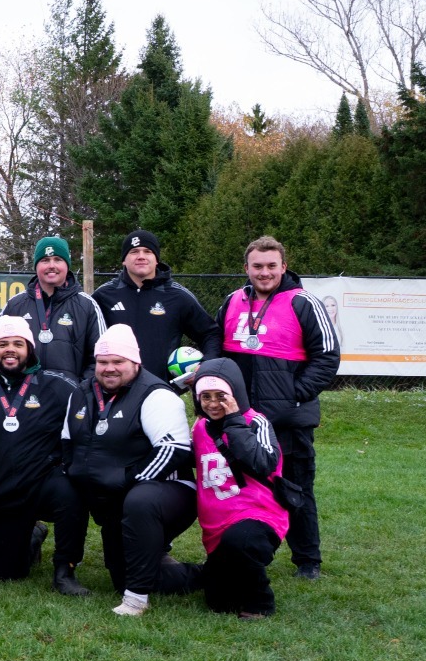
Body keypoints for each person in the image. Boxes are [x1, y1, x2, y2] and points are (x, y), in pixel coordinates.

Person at [218, 236, 339, 581]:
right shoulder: (232, 302)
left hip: (289, 420)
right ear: (246, 268)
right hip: (241, 419)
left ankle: (307, 560)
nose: (265, 272)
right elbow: (217, 348)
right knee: (242, 487)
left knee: (296, 488)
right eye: (257, 266)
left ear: (283, 266)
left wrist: (294, 395)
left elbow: (327, 357)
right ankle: (246, 551)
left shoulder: (303, 302)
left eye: (272, 265)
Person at [62, 324, 198, 617]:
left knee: (140, 502)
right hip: (113, 497)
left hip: (166, 493)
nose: (109, 368)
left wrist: (128, 482)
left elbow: (173, 450)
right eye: (103, 362)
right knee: (122, 576)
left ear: (135, 362)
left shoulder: (157, 394)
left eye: (118, 362)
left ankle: (137, 600)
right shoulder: (82, 392)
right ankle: (195, 571)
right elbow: (67, 443)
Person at [0, 316, 86, 592]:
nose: (10, 349)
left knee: (71, 493)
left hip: (44, 483)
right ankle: (32, 535)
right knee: (5, 574)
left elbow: (82, 433)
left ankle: (65, 571)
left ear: (30, 349)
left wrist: (67, 468)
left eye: (17, 343)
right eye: (2, 344)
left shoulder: (59, 387)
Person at [187, 360, 289, 618]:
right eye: (205, 397)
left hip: (258, 515)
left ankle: (261, 603)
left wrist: (234, 421)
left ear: (236, 394)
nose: (212, 403)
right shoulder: (200, 428)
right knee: (219, 603)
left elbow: (263, 463)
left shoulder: (256, 422)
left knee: (241, 541)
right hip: (216, 523)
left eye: (221, 396)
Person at [92, 229, 222, 378]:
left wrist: (205, 365)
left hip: (161, 389)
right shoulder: (103, 295)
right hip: (115, 389)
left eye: (147, 251)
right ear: (123, 259)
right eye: (134, 251)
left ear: (157, 258)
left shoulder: (178, 296)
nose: (141, 256)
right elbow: (86, 337)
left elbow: (210, 334)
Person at [0, 236, 105, 383]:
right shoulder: (15, 305)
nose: (51, 265)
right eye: (45, 260)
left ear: (67, 265)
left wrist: (80, 392)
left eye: (58, 259)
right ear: (36, 266)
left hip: (70, 400)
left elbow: (101, 356)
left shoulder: (87, 305)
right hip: (21, 399)